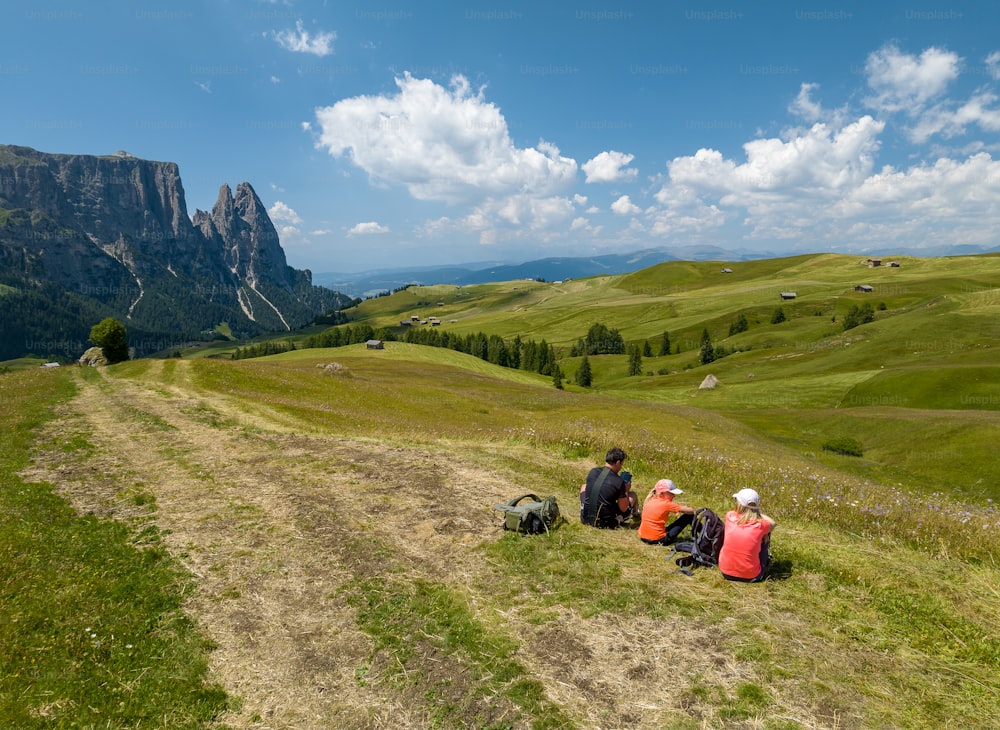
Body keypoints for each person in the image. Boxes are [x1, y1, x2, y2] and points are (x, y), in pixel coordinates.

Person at [718, 488, 775, 583]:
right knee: (766, 533)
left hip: (725, 572)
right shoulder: (761, 525)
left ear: (739, 504)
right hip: (752, 576)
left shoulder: (730, 516)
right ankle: (763, 560)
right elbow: (773, 523)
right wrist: (756, 513)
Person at [580, 447, 637, 528]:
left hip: (585, 518)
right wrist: (626, 491)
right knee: (632, 496)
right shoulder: (619, 481)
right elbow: (623, 508)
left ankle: (584, 507)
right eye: (621, 464)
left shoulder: (593, 471)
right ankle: (636, 513)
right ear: (617, 462)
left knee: (584, 486)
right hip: (605, 523)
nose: (621, 467)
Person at [637, 479, 695, 545]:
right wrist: (685, 508)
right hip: (658, 540)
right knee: (689, 516)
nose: (674, 496)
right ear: (663, 492)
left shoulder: (650, 500)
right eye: (671, 493)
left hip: (643, 537)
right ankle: (703, 534)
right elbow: (691, 511)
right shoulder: (667, 504)